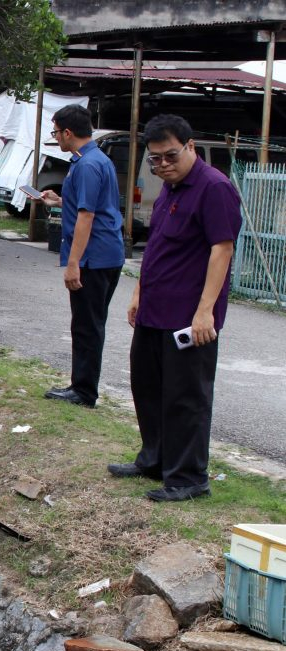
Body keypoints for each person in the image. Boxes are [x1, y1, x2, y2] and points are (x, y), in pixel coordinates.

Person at [107, 114, 241, 501]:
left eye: (170, 156)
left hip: (188, 316)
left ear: (191, 147)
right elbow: (159, 247)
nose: (163, 165)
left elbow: (222, 250)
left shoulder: (214, 188)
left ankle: (188, 477)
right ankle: (154, 459)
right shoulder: (169, 187)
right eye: (155, 160)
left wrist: (205, 312)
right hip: (155, 309)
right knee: (147, 386)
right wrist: (138, 293)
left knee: (186, 396)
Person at [38, 104, 125, 408]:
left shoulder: (87, 165)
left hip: (94, 256)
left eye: (56, 132)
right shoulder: (94, 159)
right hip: (106, 253)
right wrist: (60, 200)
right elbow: (88, 204)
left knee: (87, 324)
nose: (56, 138)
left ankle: (84, 391)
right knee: (89, 322)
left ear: (68, 132)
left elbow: (87, 217)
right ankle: (81, 385)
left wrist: (73, 264)